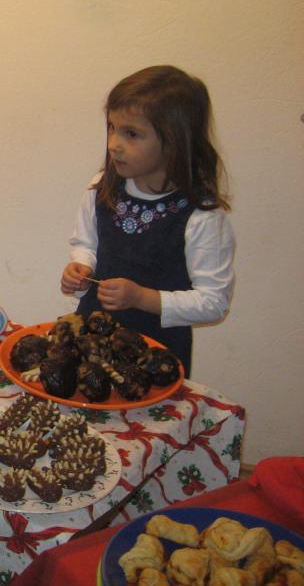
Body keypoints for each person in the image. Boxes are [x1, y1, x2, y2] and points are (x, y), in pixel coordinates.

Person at [60, 65, 235, 377]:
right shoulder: (102, 186)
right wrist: (81, 267)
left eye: (131, 134)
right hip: (91, 344)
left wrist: (142, 297)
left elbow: (213, 302)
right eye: (112, 128)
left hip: (156, 358)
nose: (114, 144)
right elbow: (85, 244)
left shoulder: (200, 216)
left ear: (174, 142)